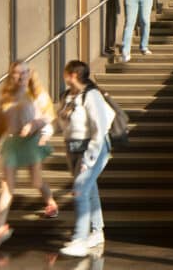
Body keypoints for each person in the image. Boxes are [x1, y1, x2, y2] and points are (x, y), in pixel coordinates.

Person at [0, 61, 58, 249]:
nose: (21, 76)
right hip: (12, 143)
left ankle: (51, 203)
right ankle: (0, 227)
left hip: (31, 142)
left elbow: (49, 115)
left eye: (24, 73)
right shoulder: (5, 97)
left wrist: (34, 125)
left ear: (29, 74)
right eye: (17, 73)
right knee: (6, 188)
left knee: (36, 181)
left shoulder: (37, 94)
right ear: (11, 75)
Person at [58, 60, 116, 258]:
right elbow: (62, 122)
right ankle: (97, 231)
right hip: (72, 147)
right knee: (89, 190)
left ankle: (79, 239)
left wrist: (88, 158)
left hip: (93, 148)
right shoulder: (67, 96)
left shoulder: (92, 96)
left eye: (66, 72)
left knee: (80, 190)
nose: (64, 75)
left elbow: (99, 130)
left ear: (73, 75)